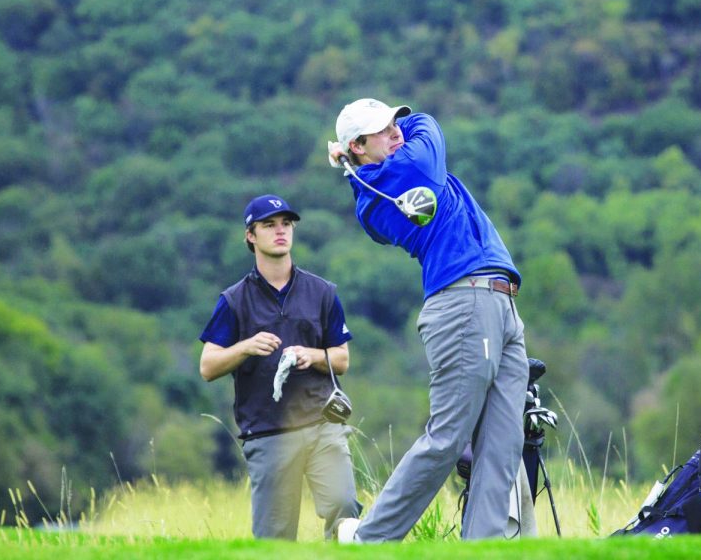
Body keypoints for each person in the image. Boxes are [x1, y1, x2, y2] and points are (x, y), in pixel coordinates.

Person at [327, 98, 530, 541]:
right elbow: (430, 127)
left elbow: (405, 141)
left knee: (503, 443)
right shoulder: (406, 171)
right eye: (383, 130)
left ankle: (484, 546)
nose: (396, 132)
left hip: (498, 300)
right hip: (465, 302)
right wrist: (405, 116)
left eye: (393, 125)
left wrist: (352, 156)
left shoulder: (376, 177)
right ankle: (370, 539)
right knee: (448, 438)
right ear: (358, 146)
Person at [198, 194, 361, 540]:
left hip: (322, 423)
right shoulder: (233, 300)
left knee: (345, 510)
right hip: (268, 432)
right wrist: (245, 347)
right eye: (269, 225)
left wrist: (314, 356)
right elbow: (208, 366)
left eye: (286, 223)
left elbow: (342, 359)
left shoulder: (322, 292)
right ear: (250, 236)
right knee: (275, 540)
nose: (280, 231)